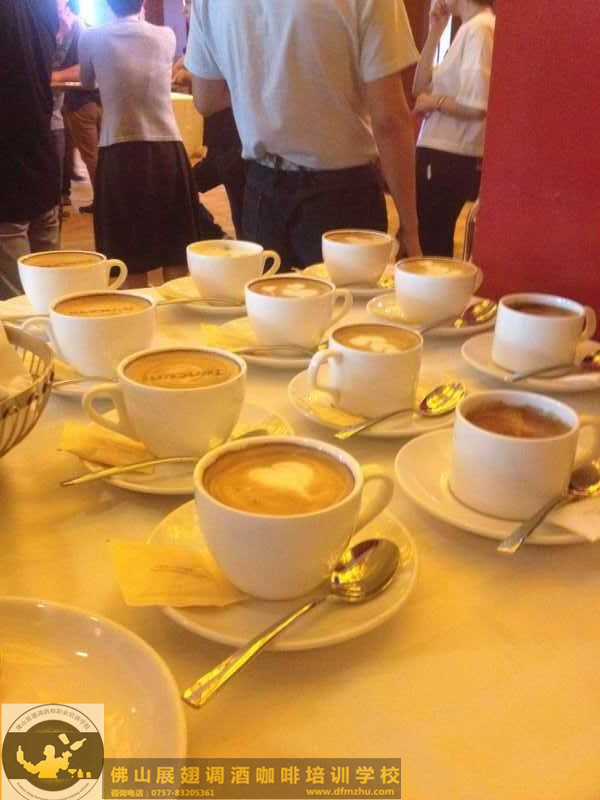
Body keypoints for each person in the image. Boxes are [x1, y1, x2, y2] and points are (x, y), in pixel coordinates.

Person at [185, 0, 422, 269]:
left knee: (266, 295)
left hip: (262, 188)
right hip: (343, 194)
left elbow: (206, 98)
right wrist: (411, 228)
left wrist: (264, 91)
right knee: (350, 296)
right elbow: (389, 119)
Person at [78, 0, 217, 287]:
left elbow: (87, 82)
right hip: (166, 149)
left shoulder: (90, 37)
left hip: (118, 150)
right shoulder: (166, 35)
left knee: (127, 255)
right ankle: (175, 310)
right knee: (175, 249)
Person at [413, 0, 495, 257]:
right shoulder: (468, 28)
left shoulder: (479, 28)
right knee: (429, 240)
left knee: (430, 244)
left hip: (450, 155)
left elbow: (477, 105)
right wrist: (434, 32)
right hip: (442, 153)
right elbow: (419, 87)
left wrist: (434, 102)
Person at [0, 0, 60, 299]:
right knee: (53, 290)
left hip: (7, 165)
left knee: (17, 304)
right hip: (41, 153)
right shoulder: (44, 7)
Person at [52, 0, 102, 214]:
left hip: (82, 102)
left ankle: (104, 201)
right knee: (92, 154)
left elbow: (83, 69)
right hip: (83, 101)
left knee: (92, 157)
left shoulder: (79, 30)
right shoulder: (67, 28)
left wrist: (52, 76)